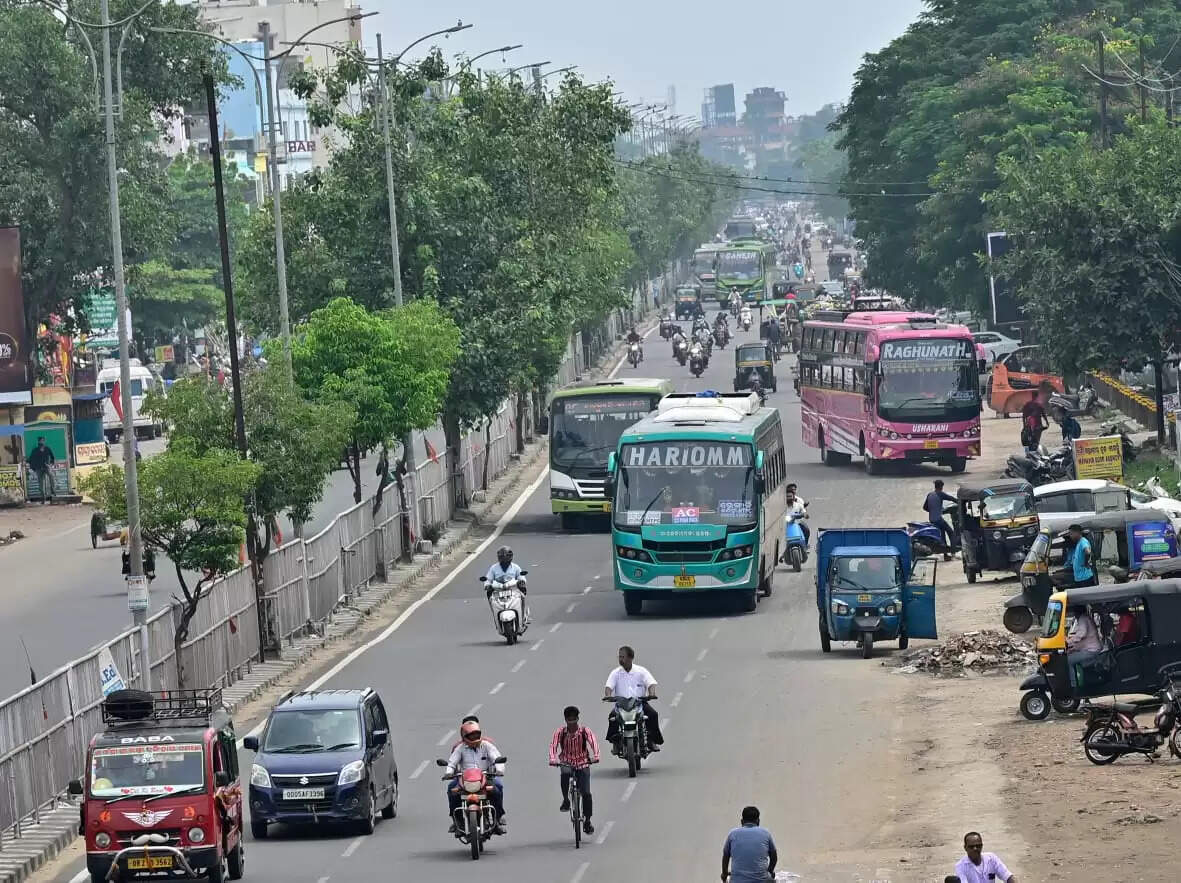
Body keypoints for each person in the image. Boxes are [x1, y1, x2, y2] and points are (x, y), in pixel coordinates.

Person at [443, 720, 506, 832]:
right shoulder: (460, 748)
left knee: (498, 787)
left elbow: (497, 759)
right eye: (471, 735)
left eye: (476, 734)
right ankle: (456, 820)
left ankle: (497, 818)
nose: (474, 737)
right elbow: (452, 763)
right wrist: (448, 773)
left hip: (485, 778)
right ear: (464, 736)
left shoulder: (487, 746)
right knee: (451, 789)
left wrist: (499, 770)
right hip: (465, 780)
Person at [548, 705, 599, 835]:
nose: (571, 722)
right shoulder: (560, 732)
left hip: (583, 762)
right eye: (569, 719)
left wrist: (596, 756)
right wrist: (553, 759)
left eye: (573, 719)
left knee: (586, 793)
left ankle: (587, 820)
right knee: (565, 773)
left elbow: (593, 742)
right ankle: (566, 799)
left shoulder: (584, 731)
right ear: (565, 720)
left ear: (577, 719)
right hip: (566, 761)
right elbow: (553, 746)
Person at [604, 645, 663, 750]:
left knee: (653, 715)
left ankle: (651, 740)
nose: (620, 659)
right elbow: (609, 686)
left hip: (639, 702)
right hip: (621, 704)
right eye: (619, 657)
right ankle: (616, 741)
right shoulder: (615, 673)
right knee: (612, 717)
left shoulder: (641, 671)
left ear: (630, 658)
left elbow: (651, 683)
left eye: (623, 657)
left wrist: (651, 694)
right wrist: (608, 696)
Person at [720, 805, 777, 882]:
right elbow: (774, 857)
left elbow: (726, 856)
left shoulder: (733, 834)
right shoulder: (765, 833)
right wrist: (770, 871)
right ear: (758, 821)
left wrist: (724, 874)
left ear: (742, 821)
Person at [485, 545, 530, 624]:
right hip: (498, 591)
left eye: (506, 557)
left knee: (522, 596)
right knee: (490, 599)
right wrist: (487, 585)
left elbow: (521, 576)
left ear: (510, 557)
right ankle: (496, 619)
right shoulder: (493, 568)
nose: (504, 560)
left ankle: (522, 616)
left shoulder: (516, 567)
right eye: (502, 558)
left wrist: (521, 581)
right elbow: (488, 579)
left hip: (513, 589)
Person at [924, 480, 959, 560]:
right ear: (941, 487)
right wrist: (959, 502)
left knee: (942, 536)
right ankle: (953, 553)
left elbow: (925, 507)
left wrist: (933, 510)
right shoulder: (940, 493)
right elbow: (951, 498)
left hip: (932, 520)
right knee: (951, 533)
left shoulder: (930, 495)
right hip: (938, 519)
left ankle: (946, 556)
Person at [27, 437, 55, 504]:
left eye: (42, 441)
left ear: (44, 441)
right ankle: (43, 498)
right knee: (41, 485)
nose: (41, 442)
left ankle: (53, 491)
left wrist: (50, 464)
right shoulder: (35, 450)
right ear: (38, 442)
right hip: (39, 469)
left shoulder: (47, 449)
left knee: (51, 476)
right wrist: (27, 462)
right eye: (40, 441)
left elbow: (52, 457)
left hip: (46, 467)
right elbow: (30, 459)